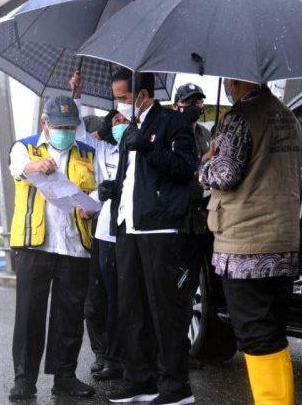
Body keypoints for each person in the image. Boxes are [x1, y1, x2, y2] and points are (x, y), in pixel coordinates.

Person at [199, 79, 301, 405]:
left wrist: (204, 164)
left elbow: (225, 175)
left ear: (240, 79)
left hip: (246, 246)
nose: (227, 84)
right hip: (282, 241)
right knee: (273, 334)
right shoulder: (288, 116)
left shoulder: (239, 118)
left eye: (230, 78)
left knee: (256, 337)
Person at [99, 68, 198, 405]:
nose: (120, 104)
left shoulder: (172, 122)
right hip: (128, 224)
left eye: (124, 98)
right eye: (117, 98)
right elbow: (132, 178)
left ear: (142, 95)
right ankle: (140, 380)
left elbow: (186, 168)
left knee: (164, 308)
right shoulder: (129, 129)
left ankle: (176, 386)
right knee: (131, 306)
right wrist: (112, 190)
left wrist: (149, 148)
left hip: (158, 227)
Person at [7, 96, 97, 401]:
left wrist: (93, 205)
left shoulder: (87, 153)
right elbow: (17, 168)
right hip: (35, 245)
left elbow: (99, 186)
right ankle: (24, 379)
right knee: (30, 313)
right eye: (60, 127)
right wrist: (35, 165)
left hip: (75, 245)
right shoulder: (26, 147)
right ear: (45, 123)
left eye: (71, 127)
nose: (65, 132)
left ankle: (65, 376)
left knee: (69, 314)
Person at [70, 71, 126, 381]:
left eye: (124, 122)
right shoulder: (102, 148)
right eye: (115, 121)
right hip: (103, 231)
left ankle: (118, 357)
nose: (119, 126)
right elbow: (78, 135)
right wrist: (76, 96)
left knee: (120, 298)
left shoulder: (136, 148)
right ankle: (104, 353)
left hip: (127, 231)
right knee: (97, 298)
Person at [172, 83, 213, 363]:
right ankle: (172, 350)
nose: (195, 107)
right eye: (190, 102)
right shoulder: (172, 132)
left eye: (198, 102)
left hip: (200, 220)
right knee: (177, 285)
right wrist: (205, 160)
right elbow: (180, 171)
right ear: (177, 106)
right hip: (178, 221)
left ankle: (183, 349)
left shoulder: (206, 133)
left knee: (192, 288)